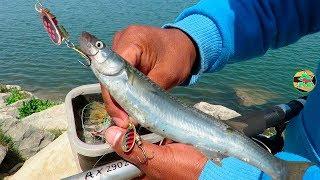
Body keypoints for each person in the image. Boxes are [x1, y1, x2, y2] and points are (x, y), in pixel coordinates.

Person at [101, 0, 320, 179]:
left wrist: (232, 176)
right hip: (292, 150)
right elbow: (282, 5)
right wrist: (188, 40)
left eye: (100, 48)